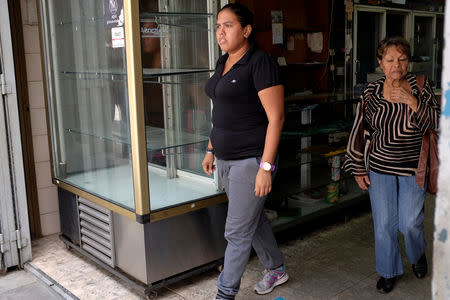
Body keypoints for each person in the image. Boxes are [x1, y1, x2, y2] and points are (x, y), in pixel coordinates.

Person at [202, 3, 288, 299]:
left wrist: (265, 168)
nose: (220, 32)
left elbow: (276, 118)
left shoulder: (260, 63)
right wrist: (211, 149)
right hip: (225, 158)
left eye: (227, 25)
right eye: (217, 26)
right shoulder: (222, 62)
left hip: (251, 160)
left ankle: (225, 293)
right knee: (254, 218)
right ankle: (276, 268)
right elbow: (221, 111)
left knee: (237, 232)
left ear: (246, 30)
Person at [343, 36, 440, 293]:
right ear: (380, 63)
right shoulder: (371, 92)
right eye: (390, 60)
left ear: (408, 62)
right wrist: (358, 166)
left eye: (402, 59)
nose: (396, 65)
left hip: (412, 168)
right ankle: (388, 271)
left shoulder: (420, 86)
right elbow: (359, 129)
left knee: (410, 223)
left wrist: (413, 102)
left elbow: (438, 122)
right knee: (384, 224)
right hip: (379, 167)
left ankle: (418, 255)